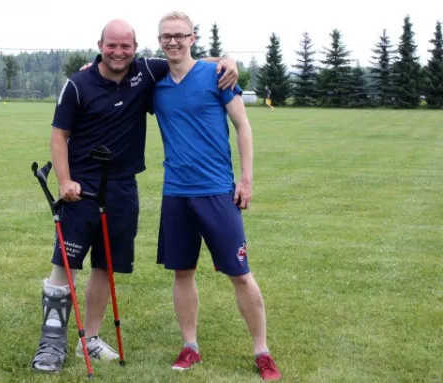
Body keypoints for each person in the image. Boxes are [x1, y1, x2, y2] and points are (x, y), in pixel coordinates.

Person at [31, 18, 240, 374]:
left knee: (105, 266)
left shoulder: (144, 72)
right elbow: (58, 135)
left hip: (122, 187)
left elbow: (184, 59)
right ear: (99, 45)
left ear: (136, 48)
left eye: (126, 46)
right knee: (65, 263)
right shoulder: (78, 84)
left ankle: (90, 340)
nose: (119, 52)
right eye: (112, 45)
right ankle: (50, 344)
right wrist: (64, 181)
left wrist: (227, 60)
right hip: (80, 188)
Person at [151, 11, 282, 381]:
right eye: (166, 37)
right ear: (159, 41)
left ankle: (262, 351)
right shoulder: (156, 83)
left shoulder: (217, 76)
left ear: (193, 37)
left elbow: (243, 126)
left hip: (216, 192)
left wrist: (246, 180)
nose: (173, 41)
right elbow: (118, 70)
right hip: (176, 193)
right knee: (182, 271)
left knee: (240, 273)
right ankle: (190, 345)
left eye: (180, 35)